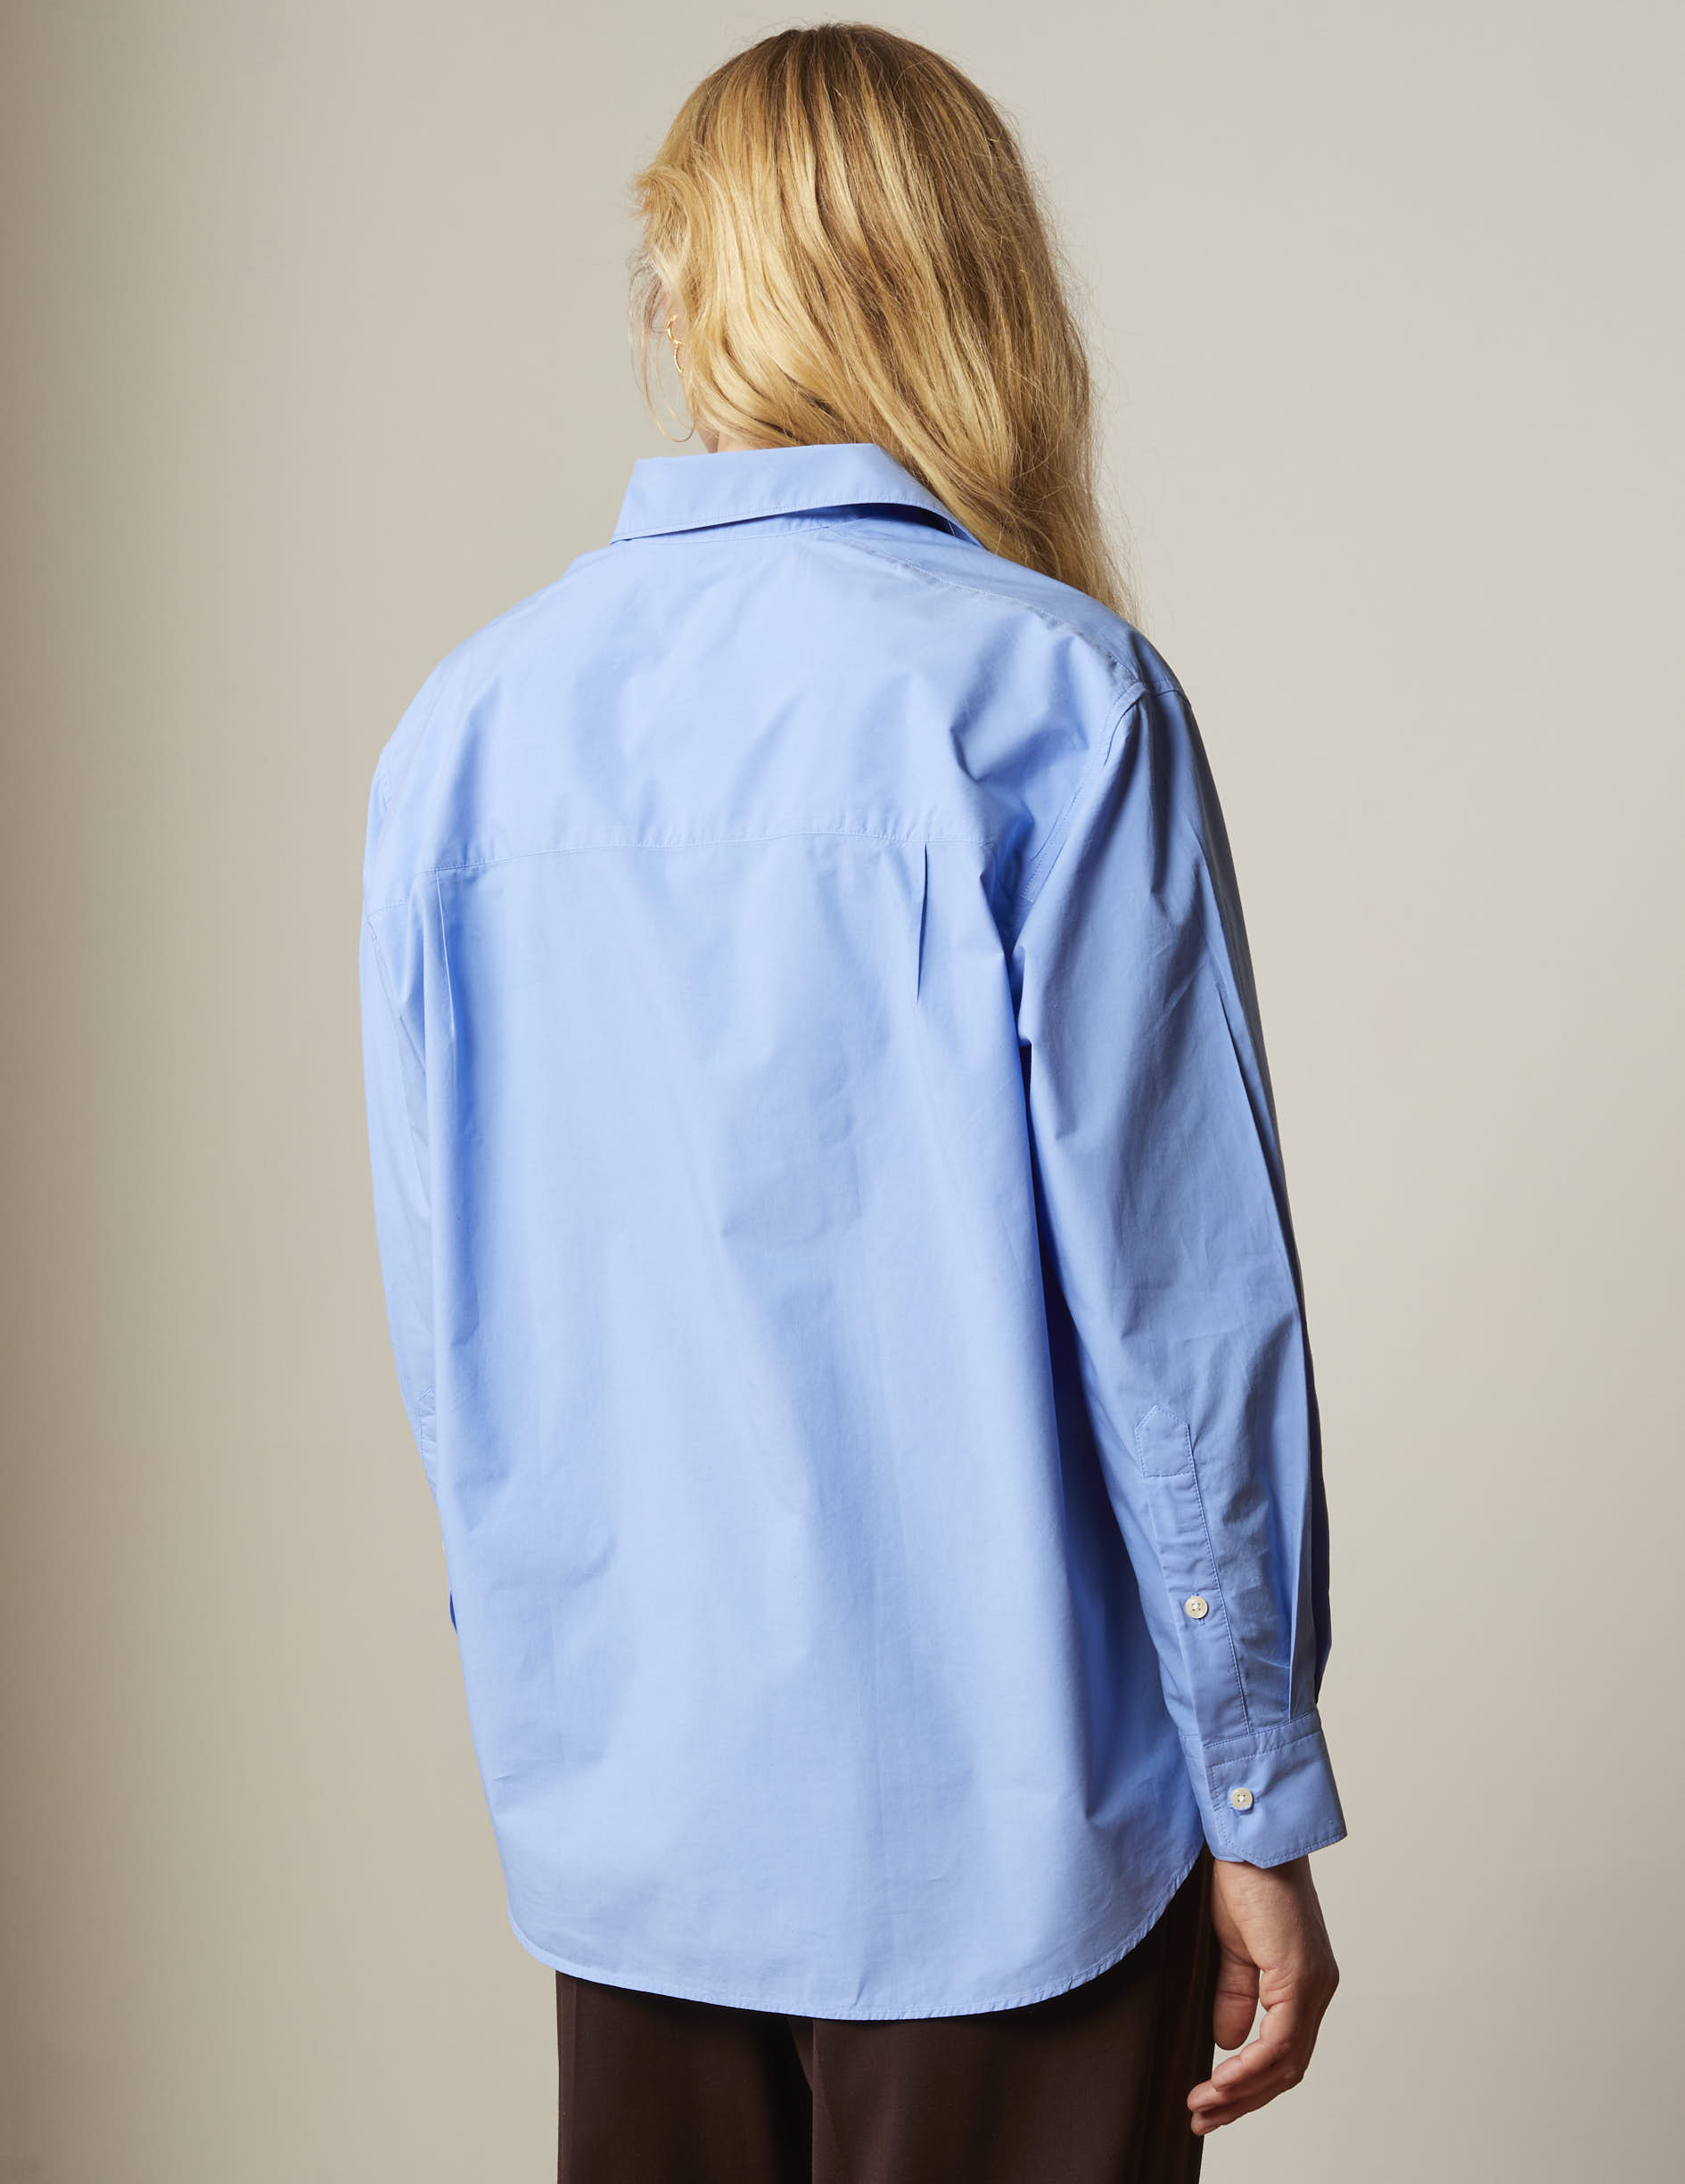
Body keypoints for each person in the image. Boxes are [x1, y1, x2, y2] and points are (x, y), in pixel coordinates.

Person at [358, 22, 1345, 2182]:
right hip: (1015, 1848)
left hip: (633, 1830)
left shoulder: (463, 733)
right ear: (977, 290)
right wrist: (1257, 1791)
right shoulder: (1057, 696)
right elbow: (1180, 1322)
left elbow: (454, 1336)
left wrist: (568, 1687)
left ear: (683, 293)